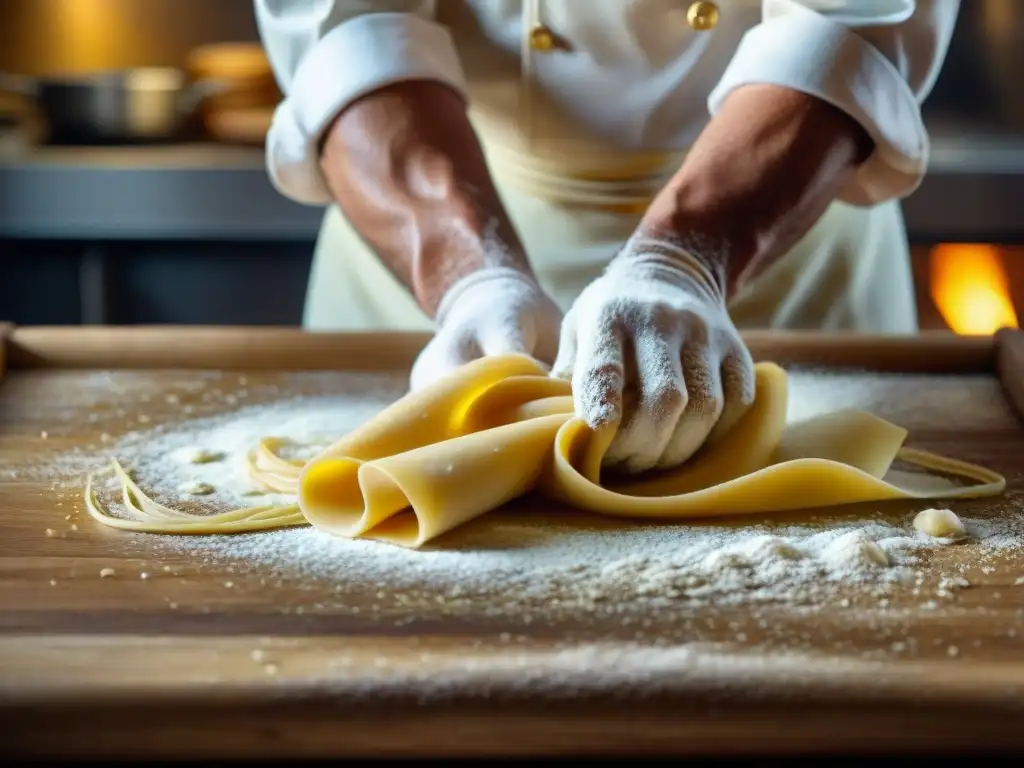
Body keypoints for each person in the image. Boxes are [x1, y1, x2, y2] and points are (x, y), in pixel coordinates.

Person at [253, 0, 958, 473]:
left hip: (781, 231)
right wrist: (471, 278)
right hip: (426, 223)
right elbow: (350, 34)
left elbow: (849, 32)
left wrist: (682, 260)